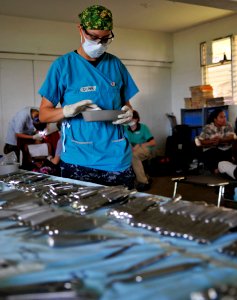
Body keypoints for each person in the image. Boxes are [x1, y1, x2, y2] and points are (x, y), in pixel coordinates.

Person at [38, 5, 139, 189]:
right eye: (93, 37)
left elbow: (126, 105)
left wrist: (129, 114)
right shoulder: (63, 66)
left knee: (120, 213)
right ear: (80, 30)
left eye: (105, 38)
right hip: (78, 159)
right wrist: (67, 110)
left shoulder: (116, 65)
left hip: (117, 159)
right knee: (80, 215)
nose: (99, 43)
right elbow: (44, 115)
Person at [125, 110, 156, 191]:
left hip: (145, 147)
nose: (131, 121)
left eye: (132, 119)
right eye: (129, 119)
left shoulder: (143, 127)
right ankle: (134, 179)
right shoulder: (125, 128)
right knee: (126, 156)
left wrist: (139, 145)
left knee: (133, 156)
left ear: (136, 119)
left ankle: (143, 182)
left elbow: (153, 142)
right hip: (132, 148)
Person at [198, 108, 236, 174]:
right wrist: (211, 141)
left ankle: (224, 168)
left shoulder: (228, 125)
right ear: (215, 119)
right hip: (213, 150)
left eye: (225, 117)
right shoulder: (208, 127)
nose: (224, 119)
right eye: (221, 117)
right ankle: (215, 170)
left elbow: (232, 136)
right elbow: (201, 140)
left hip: (226, 150)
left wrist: (221, 140)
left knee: (230, 150)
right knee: (212, 151)